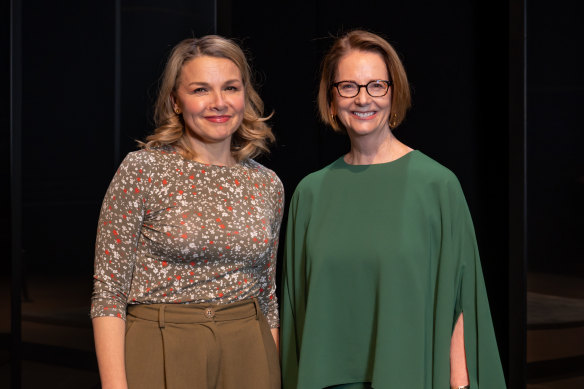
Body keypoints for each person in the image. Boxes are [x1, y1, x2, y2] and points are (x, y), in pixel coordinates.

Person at [280, 30, 506, 389]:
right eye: (348, 86)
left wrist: (461, 383)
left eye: (376, 86)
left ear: (394, 92)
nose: (362, 98)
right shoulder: (310, 193)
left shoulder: (437, 186)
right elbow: (294, 311)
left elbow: (463, 302)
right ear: (332, 97)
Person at [91, 35, 283, 389]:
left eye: (230, 87)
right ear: (175, 101)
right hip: (161, 343)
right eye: (200, 90)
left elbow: (267, 294)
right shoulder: (142, 170)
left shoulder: (267, 184)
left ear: (245, 95)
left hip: (248, 349)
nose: (218, 103)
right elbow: (109, 292)